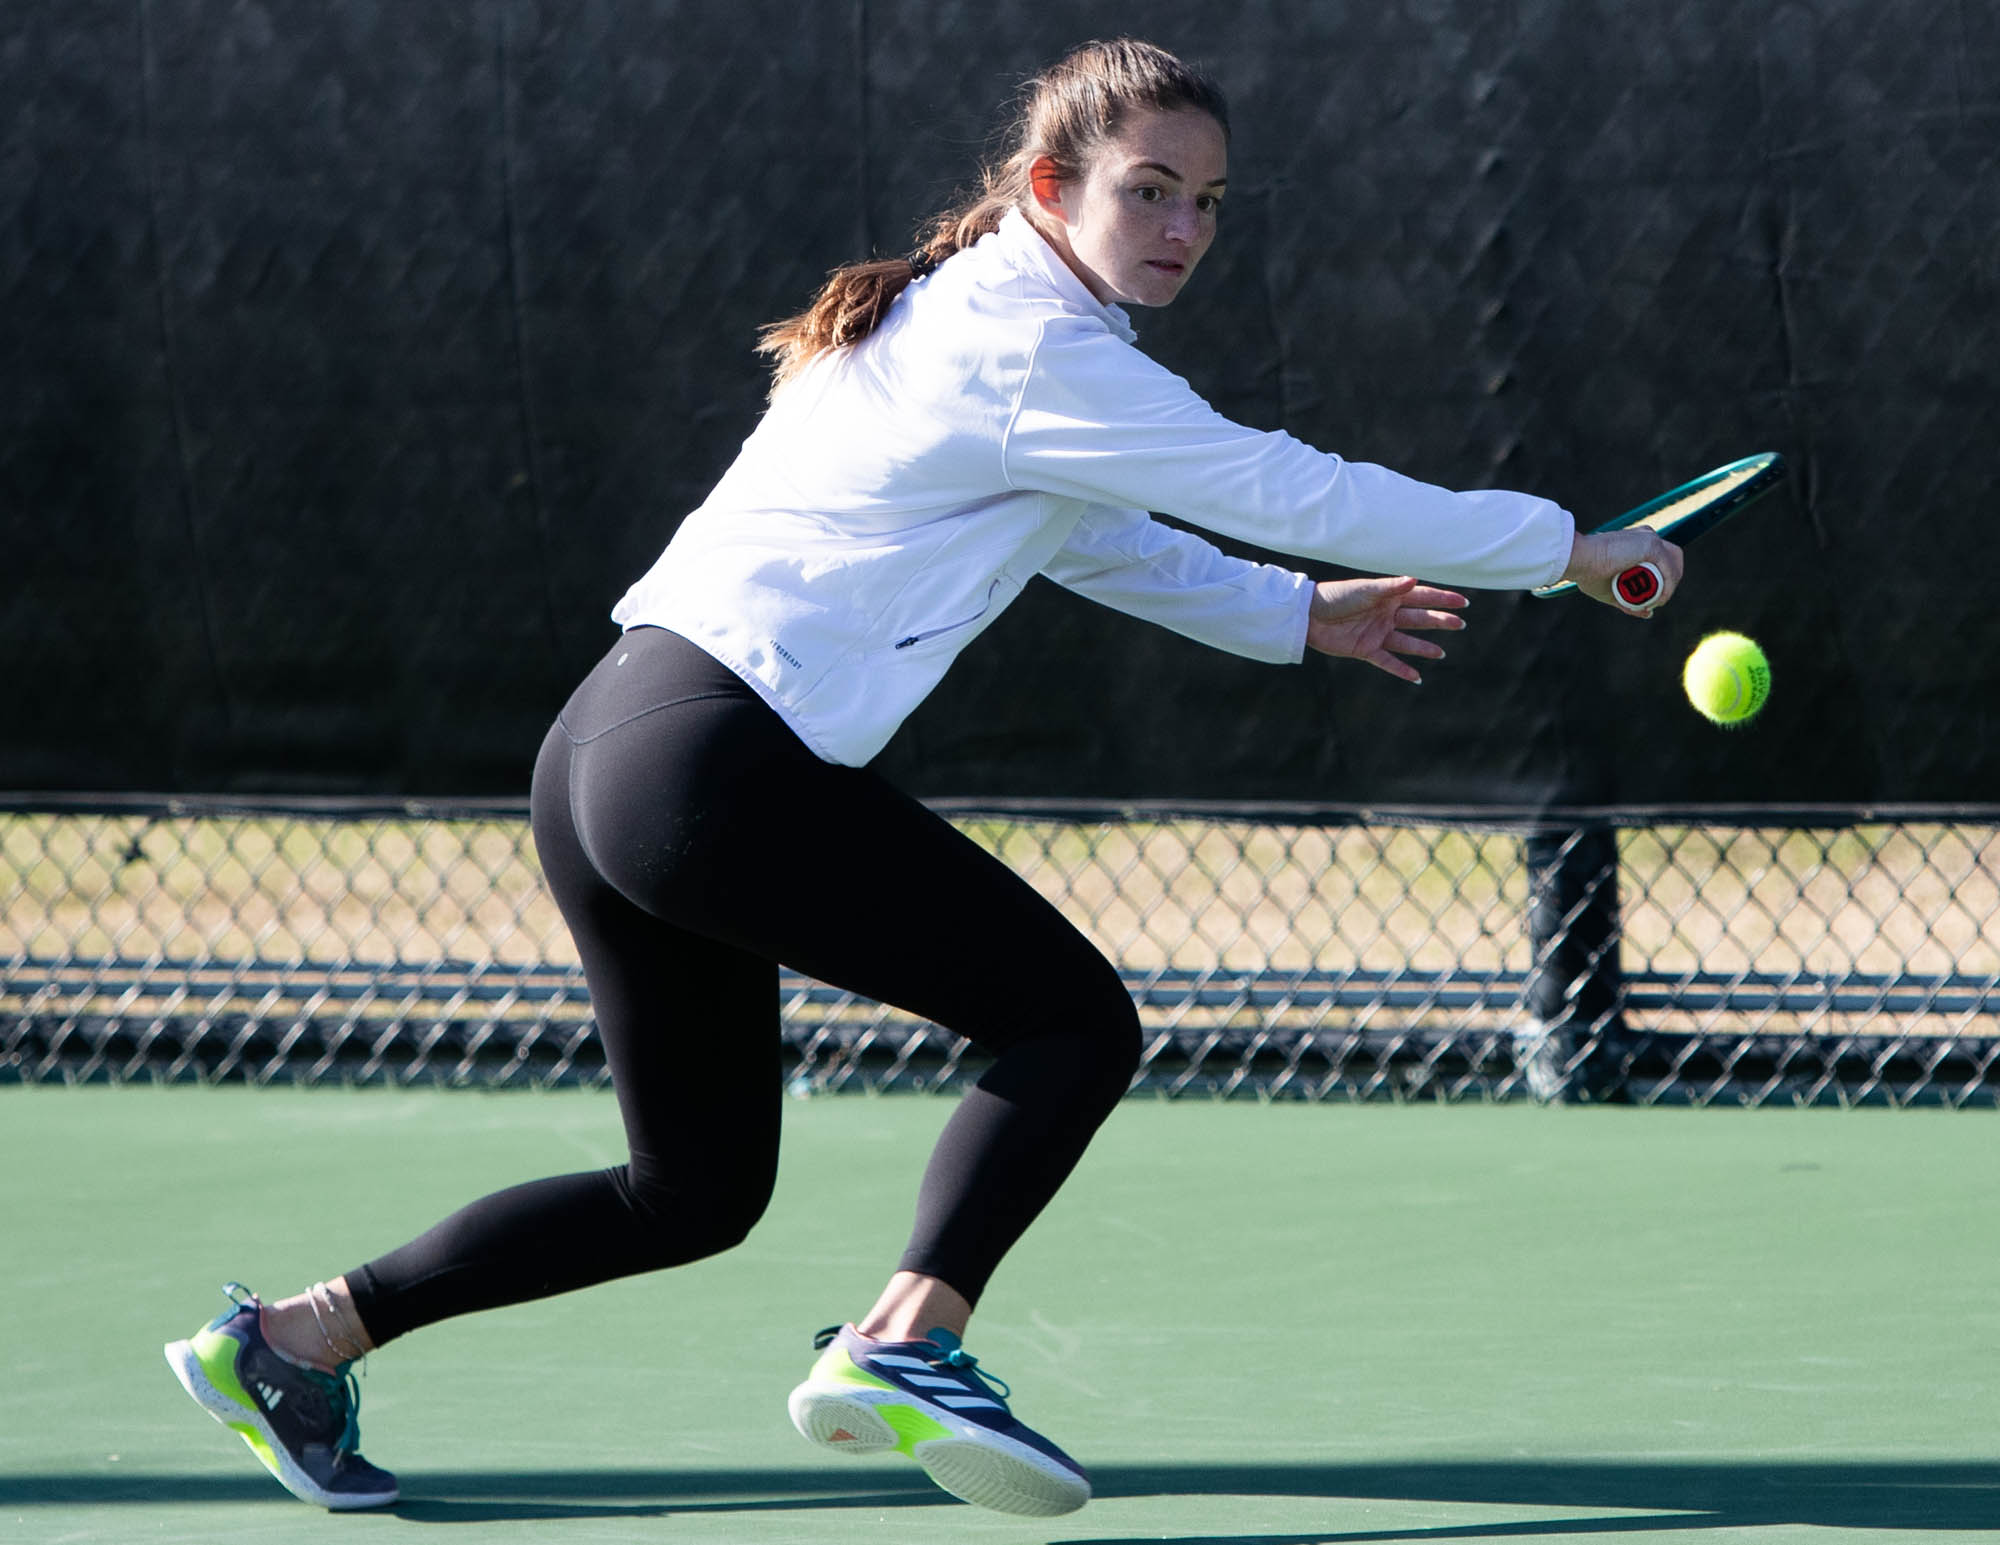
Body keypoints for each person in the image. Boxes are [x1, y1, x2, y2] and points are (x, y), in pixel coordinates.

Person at [164, 37, 1680, 1520]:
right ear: (1047, 184)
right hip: (707, 758)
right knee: (1071, 1018)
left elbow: (1093, 534)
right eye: (1149, 190)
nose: (1182, 230)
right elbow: (1290, 482)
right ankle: (907, 1342)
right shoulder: (1029, 341)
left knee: (689, 1191)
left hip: (608, 751)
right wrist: (1568, 550)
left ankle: (291, 1343)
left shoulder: (983, 328)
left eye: (1207, 204)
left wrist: (1298, 613)